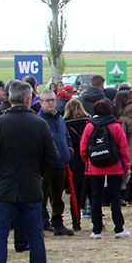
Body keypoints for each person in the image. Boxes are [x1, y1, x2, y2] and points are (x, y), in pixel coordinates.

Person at [0, 80, 55, 263]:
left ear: (9, 98)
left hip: (3, 188)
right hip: (31, 185)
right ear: (29, 98)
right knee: (35, 237)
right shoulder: (40, 124)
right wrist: (39, 175)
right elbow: (52, 157)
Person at [79, 98, 131, 241]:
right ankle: (119, 228)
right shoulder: (116, 126)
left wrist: (88, 161)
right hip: (114, 166)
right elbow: (123, 148)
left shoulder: (89, 126)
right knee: (115, 197)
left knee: (96, 197)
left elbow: (83, 147)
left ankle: (96, 230)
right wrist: (126, 166)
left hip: (94, 167)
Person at [36, 91, 73, 236]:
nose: (51, 103)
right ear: (41, 102)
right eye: (47, 100)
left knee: (58, 196)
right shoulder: (39, 121)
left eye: (53, 100)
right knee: (42, 196)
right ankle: (41, 223)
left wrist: (69, 151)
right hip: (46, 165)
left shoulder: (59, 118)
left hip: (61, 162)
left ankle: (58, 223)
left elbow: (66, 136)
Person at [63, 98, 89, 231]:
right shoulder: (88, 123)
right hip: (89, 159)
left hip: (74, 160)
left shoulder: (64, 124)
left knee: (75, 193)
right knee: (93, 191)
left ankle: (76, 221)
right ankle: (97, 219)